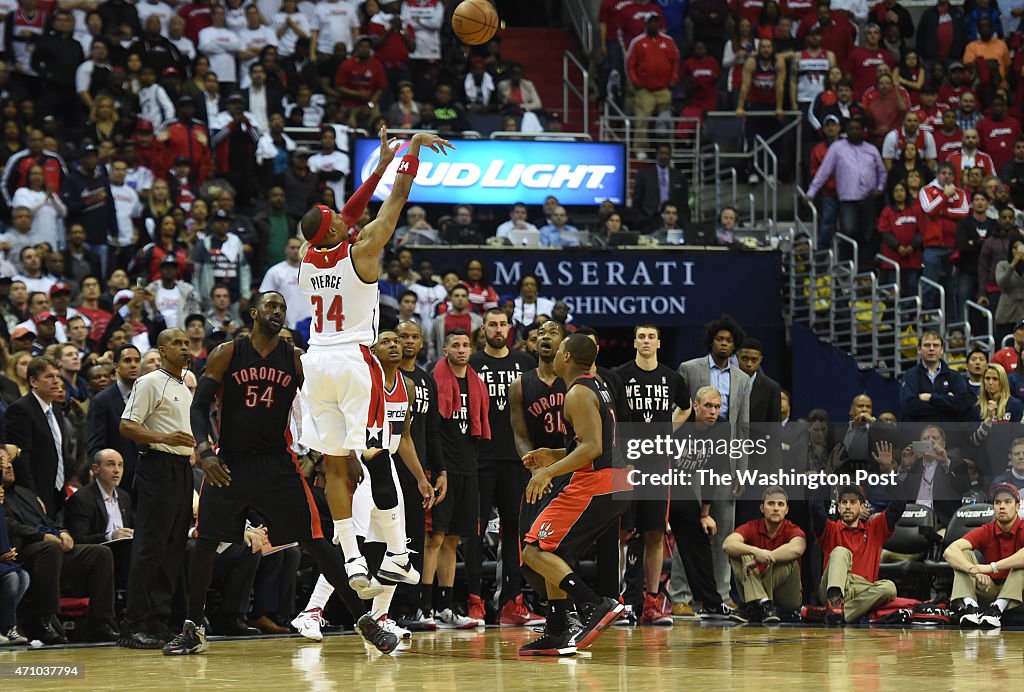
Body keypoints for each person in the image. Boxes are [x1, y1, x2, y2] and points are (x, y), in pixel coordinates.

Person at [164, 291, 398, 655]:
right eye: (271, 306)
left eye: (283, 308)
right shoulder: (228, 352)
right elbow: (200, 405)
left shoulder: (296, 359)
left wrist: (345, 453)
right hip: (230, 463)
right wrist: (206, 451)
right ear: (254, 312)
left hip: (277, 463)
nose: (278, 312)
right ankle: (193, 628)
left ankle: (364, 621)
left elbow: (324, 409)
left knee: (315, 541)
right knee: (205, 543)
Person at [295, 127, 452, 600]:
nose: (346, 217)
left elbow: (342, 216)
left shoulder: (306, 258)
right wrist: (410, 153)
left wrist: (378, 165)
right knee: (376, 455)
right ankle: (401, 555)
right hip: (352, 359)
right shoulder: (363, 252)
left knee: (334, 464)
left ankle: (352, 558)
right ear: (337, 231)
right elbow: (397, 200)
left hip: (315, 362)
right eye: (337, 218)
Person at [292, 331, 434, 647]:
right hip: (357, 466)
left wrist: (420, 478)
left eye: (398, 340)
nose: (395, 345)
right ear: (369, 351)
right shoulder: (357, 381)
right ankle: (311, 611)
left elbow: (404, 437)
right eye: (386, 341)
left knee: (395, 551)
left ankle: (382, 615)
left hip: (387, 468)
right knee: (349, 545)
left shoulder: (406, 387)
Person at [518, 333, 630, 656]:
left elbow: (593, 448)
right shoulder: (598, 386)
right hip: (613, 481)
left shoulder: (578, 393)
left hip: (595, 484)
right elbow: (596, 443)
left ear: (565, 357)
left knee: (533, 551)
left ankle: (595, 604)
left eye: (560, 348)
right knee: (553, 552)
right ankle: (557, 631)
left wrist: (548, 472)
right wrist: (551, 454)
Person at [117, 328, 195, 649]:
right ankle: (132, 625)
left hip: (182, 470)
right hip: (156, 467)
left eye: (187, 343)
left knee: (174, 549)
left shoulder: (186, 386)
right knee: (150, 548)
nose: (183, 348)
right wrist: (164, 438)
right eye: (176, 343)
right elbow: (126, 425)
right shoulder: (149, 382)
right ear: (161, 351)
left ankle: (158, 621)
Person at [614, 325, 690, 625]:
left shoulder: (672, 378)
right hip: (627, 461)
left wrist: (665, 431)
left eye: (651, 337)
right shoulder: (620, 375)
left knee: (655, 533)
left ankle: (651, 600)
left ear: (659, 342)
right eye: (641, 337)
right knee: (623, 532)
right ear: (634, 341)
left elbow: (685, 408)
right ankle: (622, 599)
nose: (646, 341)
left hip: (658, 462)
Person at [466, 308, 538, 625]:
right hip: (479, 458)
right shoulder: (472, 363)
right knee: (474, 532)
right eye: (492, 324)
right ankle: (474, 601)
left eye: (502, 324)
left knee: (514, 531)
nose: (497, 329)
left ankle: (512, 602)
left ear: (510, 328)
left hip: (515, 458)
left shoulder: (525, 364)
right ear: (483, 329)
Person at [809, 444, 902, 625]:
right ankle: (834, 602)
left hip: (861, 590)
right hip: (833, 586)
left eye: (853, 502)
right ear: (838, 506)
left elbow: (899, 505)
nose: (848, 506)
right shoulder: (830, 529)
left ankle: (835, 614)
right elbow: (815, 506)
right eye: (844, 502)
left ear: (862, 506)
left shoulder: (875, 528)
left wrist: (889, 470)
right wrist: (829, 473)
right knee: (840, 552)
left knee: (889, 587)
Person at [944, 482, 1024, 629]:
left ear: (1018, 507)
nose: (1002, 506)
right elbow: (950, 551)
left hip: (1019, 595)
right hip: (990, 590)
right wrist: (972, 570)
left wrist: (990, 568)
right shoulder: (987, 530)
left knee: (1020, 565)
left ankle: (997, 610)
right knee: (963, 554)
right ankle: (971, 608)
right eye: (997, 502)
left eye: (1008, 502)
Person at [723, 486, 806, 622]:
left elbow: (797, 548)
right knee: (739, 553)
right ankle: (763, 603)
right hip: (758, 585)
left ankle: (755, 604)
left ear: (786, 510)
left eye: (780, 504)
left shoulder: (793, 529)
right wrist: (756, 552)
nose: (775, 508)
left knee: (789, 559)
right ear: (762, 508)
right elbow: (727, 544)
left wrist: (762, 559)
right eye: (771, 504)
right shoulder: (752, 526)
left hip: (786, 597)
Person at [5, 356, 70, 519]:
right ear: (33, 382)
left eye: (57, 376)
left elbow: (59, 451)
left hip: (57, 489)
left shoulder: (55, 409)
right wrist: (32, 496)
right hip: (35, 491)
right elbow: (21, 458)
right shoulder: (20, 410)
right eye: (49, 377)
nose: (56, 381)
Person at [899, 330, 977, 423]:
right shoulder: (910, 375)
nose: (931, 349)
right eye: (927, 345)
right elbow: (909, 406)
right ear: (919, 349)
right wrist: (947, 403)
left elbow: (963, 404)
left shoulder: (954, 376)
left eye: (935, 345)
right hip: (918, 433)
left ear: (942, 350)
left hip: (948, 433)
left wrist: (930, 398)